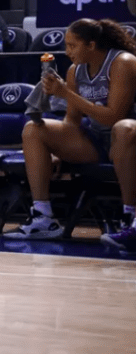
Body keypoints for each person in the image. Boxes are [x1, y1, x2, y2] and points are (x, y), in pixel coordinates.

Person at [8, 19, 136, 240]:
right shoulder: (75, 71)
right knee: (33, 129)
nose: (67, 51)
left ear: (91, 45)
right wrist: (58, 149)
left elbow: (115, 116)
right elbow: (72, 121)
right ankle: (43, 218)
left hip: (128, 139)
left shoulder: (122, 62)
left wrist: (66, 93)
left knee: (123, 128)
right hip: (97, 140)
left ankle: (130, 218)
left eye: (72, 45)